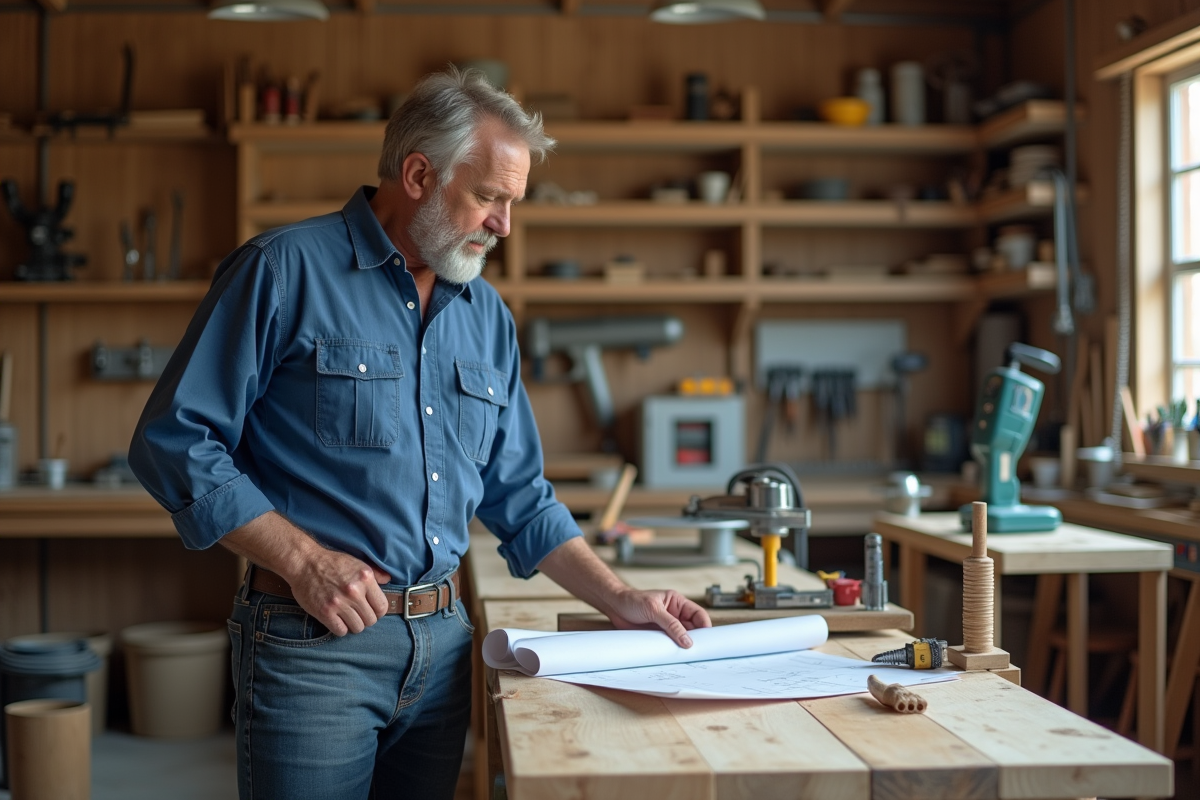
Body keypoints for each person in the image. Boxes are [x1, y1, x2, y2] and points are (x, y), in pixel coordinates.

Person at [128, 66, 711, 800]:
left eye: (512, 202)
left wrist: (621, 598)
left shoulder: (487, 316)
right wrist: (304, 560)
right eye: (490, 198)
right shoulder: (283, 271)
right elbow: (173, 438)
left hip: (444, 646)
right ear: (417, 175)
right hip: (314, 647)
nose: (504, 224)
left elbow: (521, 497)